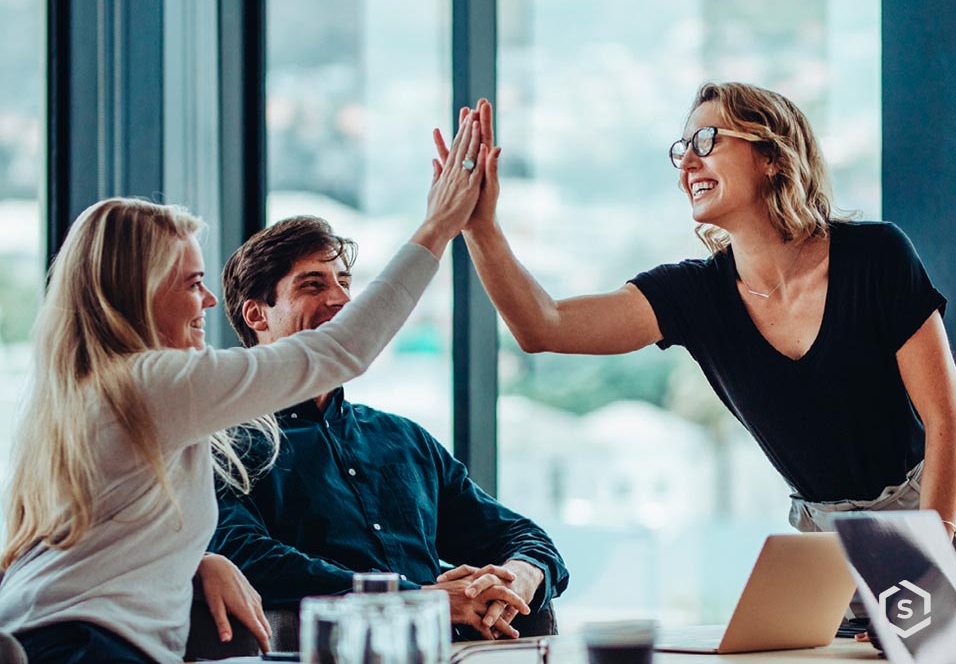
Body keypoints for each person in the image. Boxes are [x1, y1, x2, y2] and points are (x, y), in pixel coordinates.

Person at [0, 110, 487, 664]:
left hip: (48, 636)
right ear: (139, 292)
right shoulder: (150, 383)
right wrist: (437, 228)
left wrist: (200, 562)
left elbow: (101, 540)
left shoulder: (89, 391)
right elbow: (340, 351)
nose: (209, 301)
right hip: (85, 648)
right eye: (193, 284)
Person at [442, 86, 956, 538]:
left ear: (771, 156)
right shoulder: (694, 295)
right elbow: (543, 326)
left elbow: (945, 419)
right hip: (825, 539)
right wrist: (479, 227)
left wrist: (930, 554)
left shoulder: (876, 256)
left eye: (707, 141)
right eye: (682, 149)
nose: (687, 163)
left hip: (932, 511)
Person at [209, 215, 569, 642]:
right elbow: (242, 555)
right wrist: (416, 599)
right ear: (257, 314)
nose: (342, 299)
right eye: (313, 285)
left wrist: (519, 576)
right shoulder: (225, 444)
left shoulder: (404, 439)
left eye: (344, 282)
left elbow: (521, 536)